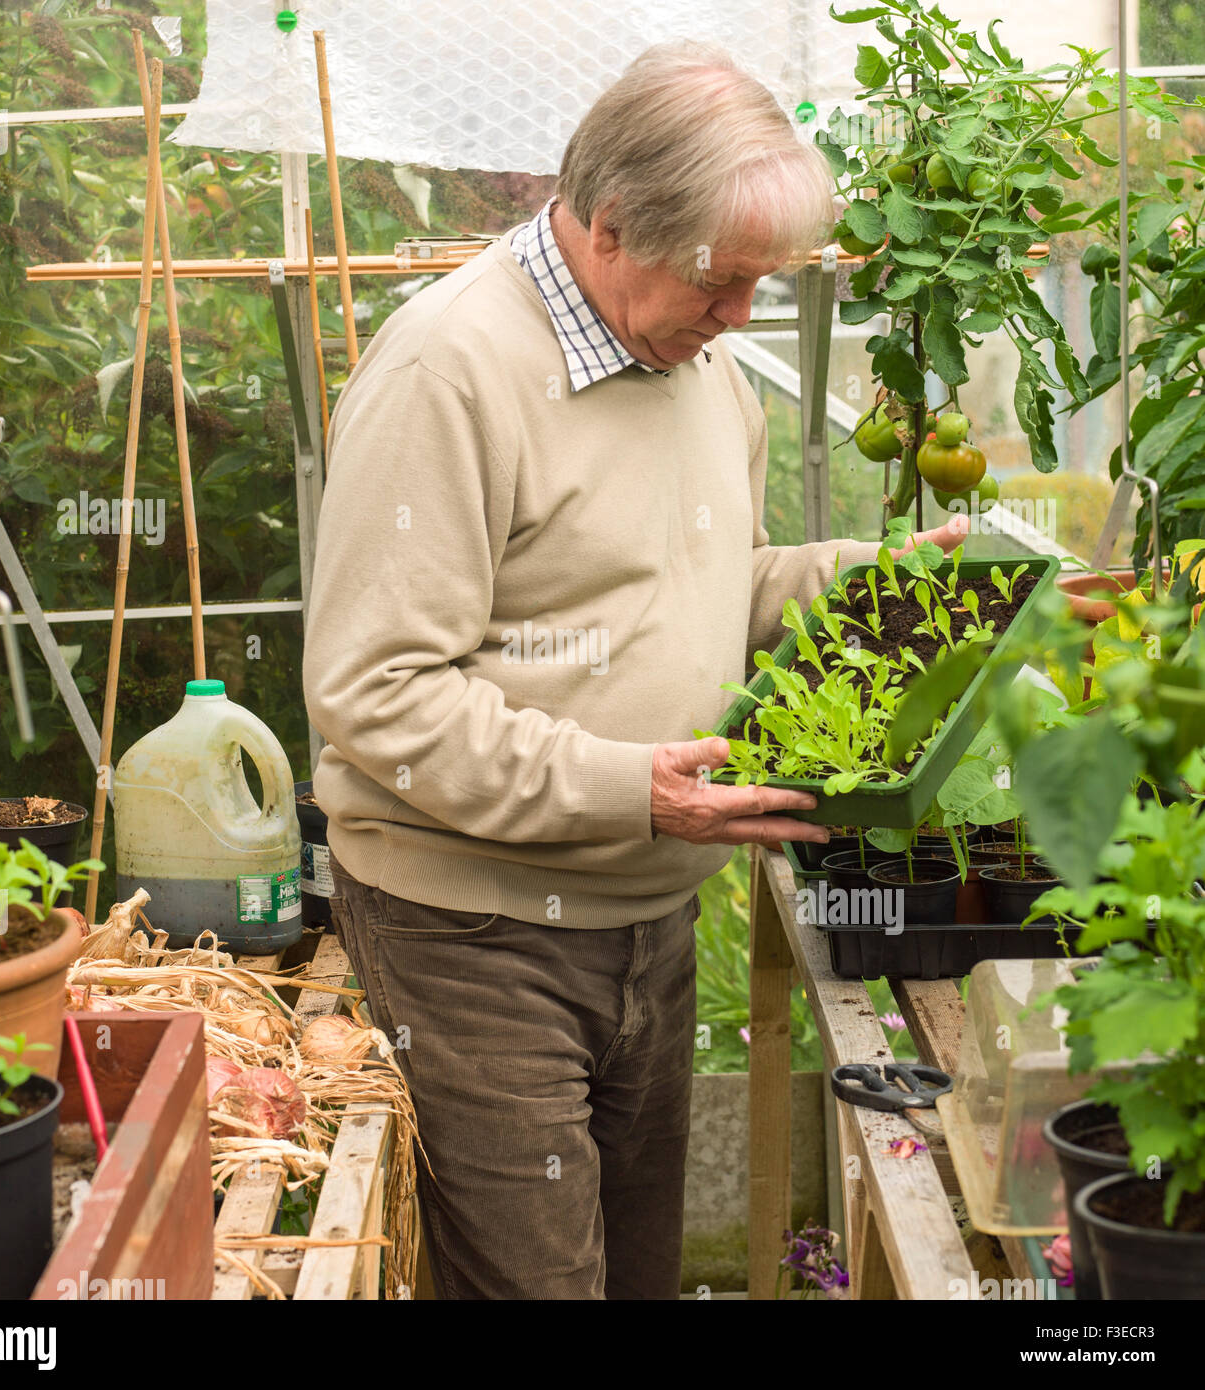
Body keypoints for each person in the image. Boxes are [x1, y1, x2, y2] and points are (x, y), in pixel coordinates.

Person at [302, 40, 965, 1300]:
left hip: (648, 919)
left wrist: (871, 581)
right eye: (722, 282)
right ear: (610, 227)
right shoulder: (450, 370)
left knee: (638, 1277)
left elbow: (701, 590)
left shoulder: (694, 366)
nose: (737, 319)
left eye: (759, 284)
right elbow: (377, 688)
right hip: (476, 936)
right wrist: (631, 789)